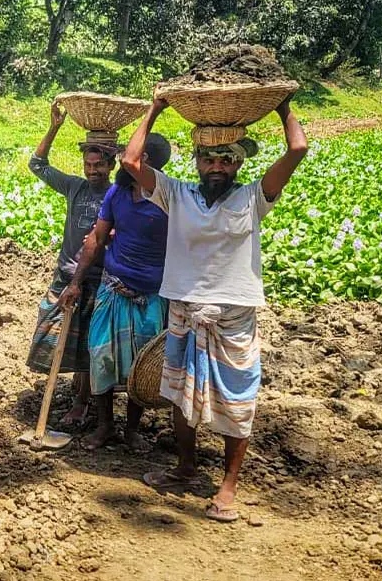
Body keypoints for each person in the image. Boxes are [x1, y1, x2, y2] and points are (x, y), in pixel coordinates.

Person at [123, 96, 308, 522]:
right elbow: (132, 159)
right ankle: (186, 468)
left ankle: (227, 486)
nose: (216, 166)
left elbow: (297, 150)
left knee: (237, 402)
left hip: (233, 318)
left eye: (225, 159)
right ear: (197, 164)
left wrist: (281, 107)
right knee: (179, 396)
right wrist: (156, 108)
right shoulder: (176, 194)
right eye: (208, 159)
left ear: (238, 164)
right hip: (185, 313)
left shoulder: (252, 198)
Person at [58, 133, 172, 450]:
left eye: (132, 156)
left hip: (149, 296)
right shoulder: (117, 193)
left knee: (141, 365)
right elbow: (96, 238)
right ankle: (105, 426)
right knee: (100, 356)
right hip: (112, 289)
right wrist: (76, 282)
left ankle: (132, 430)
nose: (124, 160)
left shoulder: (169, 198)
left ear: (148, 162)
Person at [27, 102, 116, 431]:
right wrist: (54, 128)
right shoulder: (75, 187)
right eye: (89, 164)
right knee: (54, 339)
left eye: (99, 164)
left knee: (90, 347)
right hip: (66, 277)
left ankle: (81, 405)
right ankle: (70, 397)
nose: (93, 170)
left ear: (111, 164)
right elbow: (37, 164)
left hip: (99, 280)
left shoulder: (117, 194)